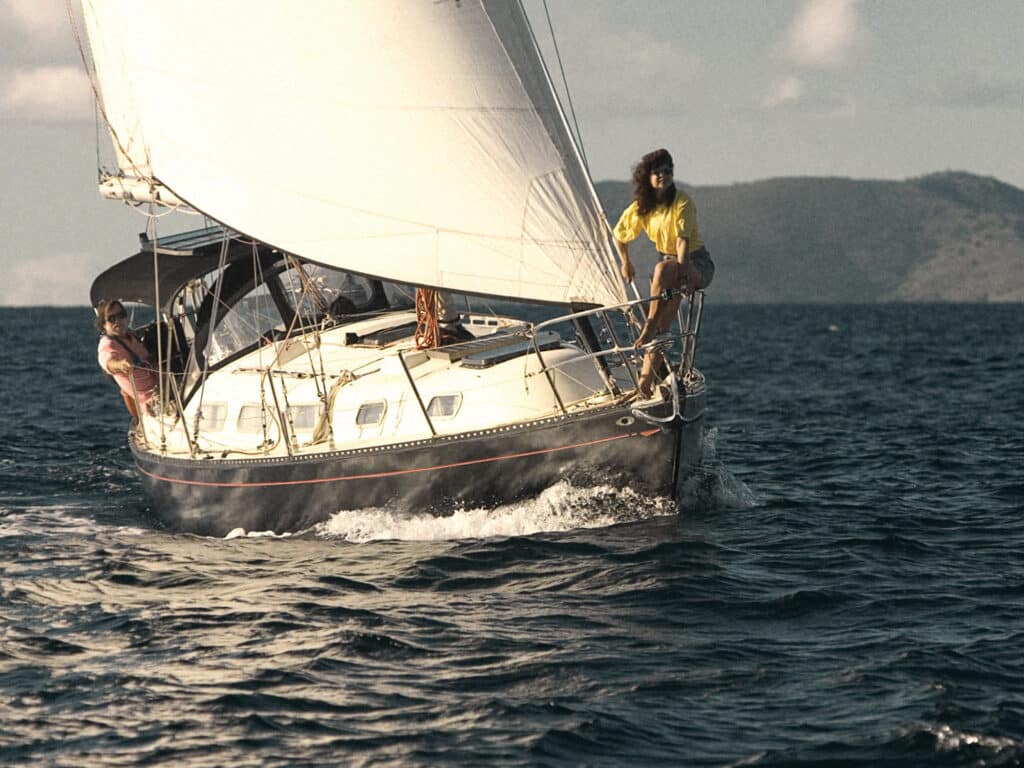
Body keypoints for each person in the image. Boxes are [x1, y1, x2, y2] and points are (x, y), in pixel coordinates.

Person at [613, 148, 715, 397]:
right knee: (663, 326)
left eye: (668, 171)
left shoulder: (682, 202)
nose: (663, 176)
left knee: (661, 271)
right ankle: (644, 384)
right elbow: (619, 234)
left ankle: (647, 324)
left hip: (693, 263)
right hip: (669, 269)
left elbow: (682, 243)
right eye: (657, 172)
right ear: (647, 177)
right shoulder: (642, 208)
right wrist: (626, 263)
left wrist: (682, 277)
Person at [95, 299, 160, 417]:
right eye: (111, 318)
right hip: (153, 403)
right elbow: (108, 362)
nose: (118, 321)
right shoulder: (107, 344)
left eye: (121, 315)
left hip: (165, 389)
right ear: (103, 325)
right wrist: (120, 365)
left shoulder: (131, 337)